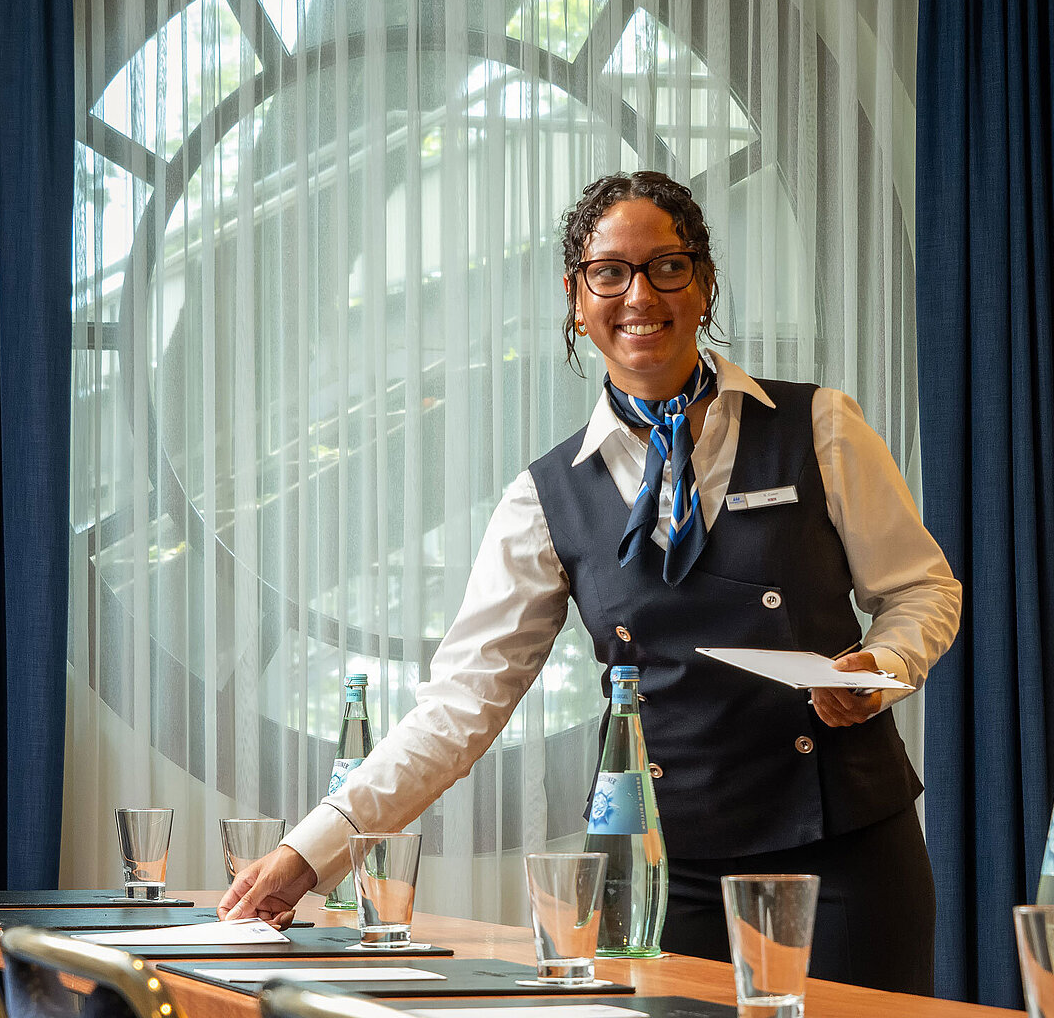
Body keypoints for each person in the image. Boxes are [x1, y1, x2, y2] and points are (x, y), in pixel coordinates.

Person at [218, 170, 960, 995]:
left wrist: (882, 671)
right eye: (610, 272)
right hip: (657, 869)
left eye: (666, 266)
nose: (639, 293)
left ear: (704, 282)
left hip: (845, 844)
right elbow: (461, 706)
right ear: (578, 298)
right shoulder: (544, 497)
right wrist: (308, 851)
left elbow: (924, 591)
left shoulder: (820, 423)